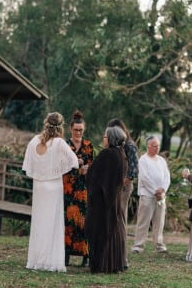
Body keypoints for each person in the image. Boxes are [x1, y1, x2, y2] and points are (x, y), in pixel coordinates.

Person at [22, 112, 78, 271]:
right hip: (53, 187)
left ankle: (35, 261)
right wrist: (58, 167)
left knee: (39, 223)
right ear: (61, 126)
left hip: (39, 187)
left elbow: (28, 164)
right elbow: (73, 161)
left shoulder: (34, 141)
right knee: (52, 224)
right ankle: (51, 262)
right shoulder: (59, 143)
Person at [85, 126, 128, 273]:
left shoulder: (107, 154)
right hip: (113, 200)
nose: (104, 139)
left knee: (99, 231)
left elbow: (94, 174)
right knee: (112, 231)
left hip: (101, 203)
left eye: (105, 136)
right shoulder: (121, 154)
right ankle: (112, 264)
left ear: (111, 138)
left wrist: (87, 170)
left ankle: (100, 265)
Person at [63, 110, 95, 267]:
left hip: (83, 189)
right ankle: (66, 254)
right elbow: (59, 165)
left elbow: (93, 165)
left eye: (81, 130)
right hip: (67, 188)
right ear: (71, 129)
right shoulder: (64, 145)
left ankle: (85, 255)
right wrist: (74, 164)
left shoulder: (89, 146)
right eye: (75, 130)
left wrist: (87, 167)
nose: (78, 132)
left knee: (83, 222)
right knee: (68, 223)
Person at [131, 136, 171, 253]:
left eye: (158, 145)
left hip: (161, 196)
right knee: (144, 221)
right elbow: (144, 178)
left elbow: (167, 177)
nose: (157, 148)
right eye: (154, 146)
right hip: (147, 195)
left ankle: (159, 244)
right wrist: (155, 191)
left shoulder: (161, 160)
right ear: (148, 146)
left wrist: (163, 189)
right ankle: (138, 245)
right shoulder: (143, 160)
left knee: (159, 221)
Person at [107, 118, 139, 227]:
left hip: (124, 186)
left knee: (120, 216)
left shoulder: (130, 146)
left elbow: (134, 171)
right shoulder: (116, 146)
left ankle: (121, 241)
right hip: (115, 186)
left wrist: (120, 184)